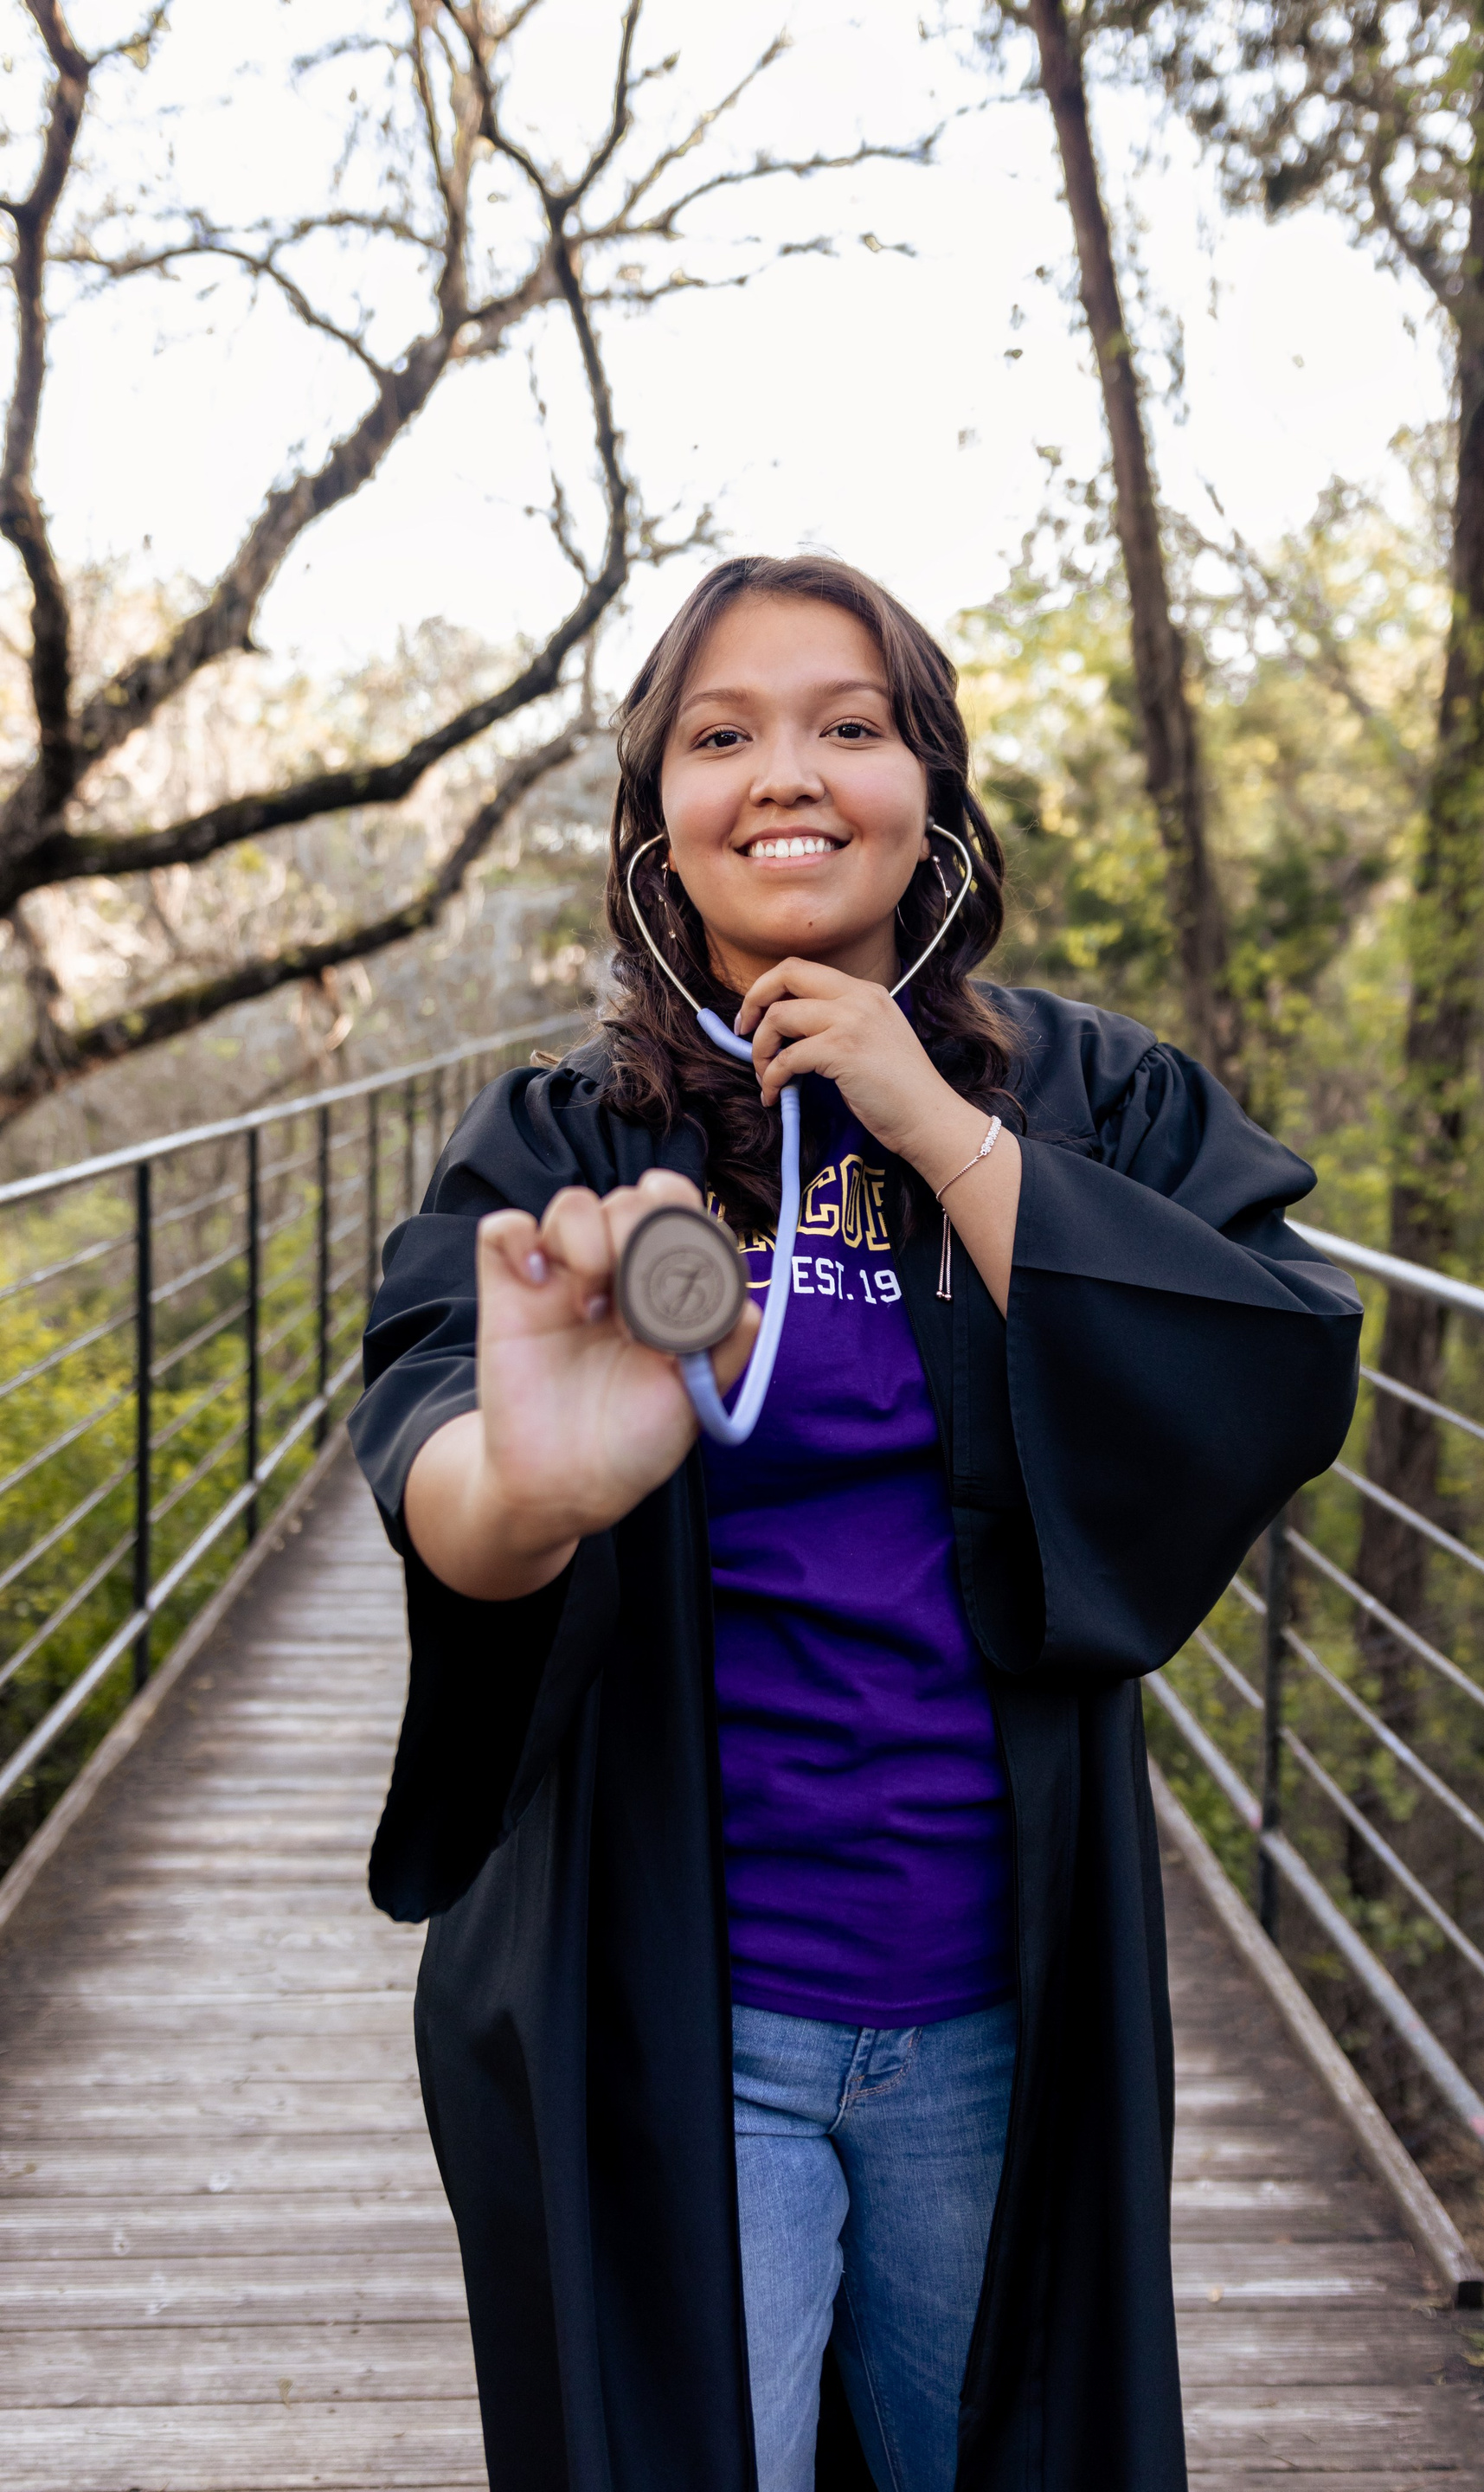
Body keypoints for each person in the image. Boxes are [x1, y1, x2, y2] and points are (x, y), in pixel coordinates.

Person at [349, 553, 1360, 2492]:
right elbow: (437, 1459)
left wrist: (937, 1123)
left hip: (997, 1998)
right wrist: (535, 1492)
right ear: (658, 816)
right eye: (721, 735)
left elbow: (1271, 1367)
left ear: (930, 790)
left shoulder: (1089, 1097)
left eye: (850, 725)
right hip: (672, 2002)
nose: (787, 775)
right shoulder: (567, 1144)